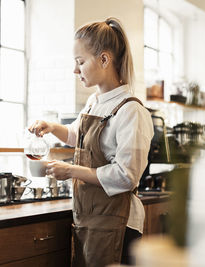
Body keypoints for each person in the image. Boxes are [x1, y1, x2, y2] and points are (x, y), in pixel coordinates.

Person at [29, 17, 153, 267]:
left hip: (118, 221)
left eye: (80, 62)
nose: (75, 70)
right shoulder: (95, 102)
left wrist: (71, 170)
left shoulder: (131, 110)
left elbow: (126, 176)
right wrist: (52, 128)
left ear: (104, 60)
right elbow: (77, 136)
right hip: (90, 217)